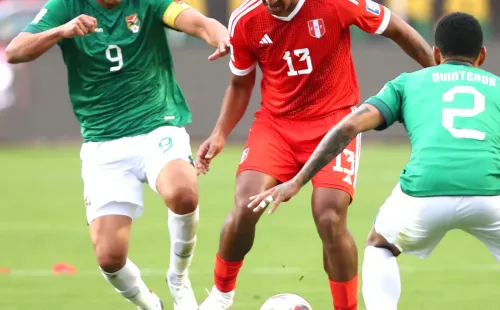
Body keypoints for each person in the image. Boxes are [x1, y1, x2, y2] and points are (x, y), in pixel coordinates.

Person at [249, 11, 500, 310]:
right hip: (490, 193)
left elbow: (347, 127)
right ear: (482, 55)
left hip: (423, 193)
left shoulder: (408, 83)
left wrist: (297, 179)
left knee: (379, 245)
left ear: (435, 53)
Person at [195, 0, 436, 308]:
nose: (273, 3)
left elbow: (398, 29)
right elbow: (241, 83)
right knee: (245, 206)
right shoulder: (245, 18)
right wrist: (219, 133)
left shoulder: (336, 4)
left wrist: (438, 75)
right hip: (276, 125)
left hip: (335, 123)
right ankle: (220, 295)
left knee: (329, 216)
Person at [6, 0, 230, 309]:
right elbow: (16, 51)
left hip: (157, 125)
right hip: (104, 142)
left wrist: (219, 36)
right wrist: (62, 31)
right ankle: (151, 305)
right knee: (110, 257)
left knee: (182, 191)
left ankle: (178, 278)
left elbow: (197, 22)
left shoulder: (148, 2)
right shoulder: (66, 7)